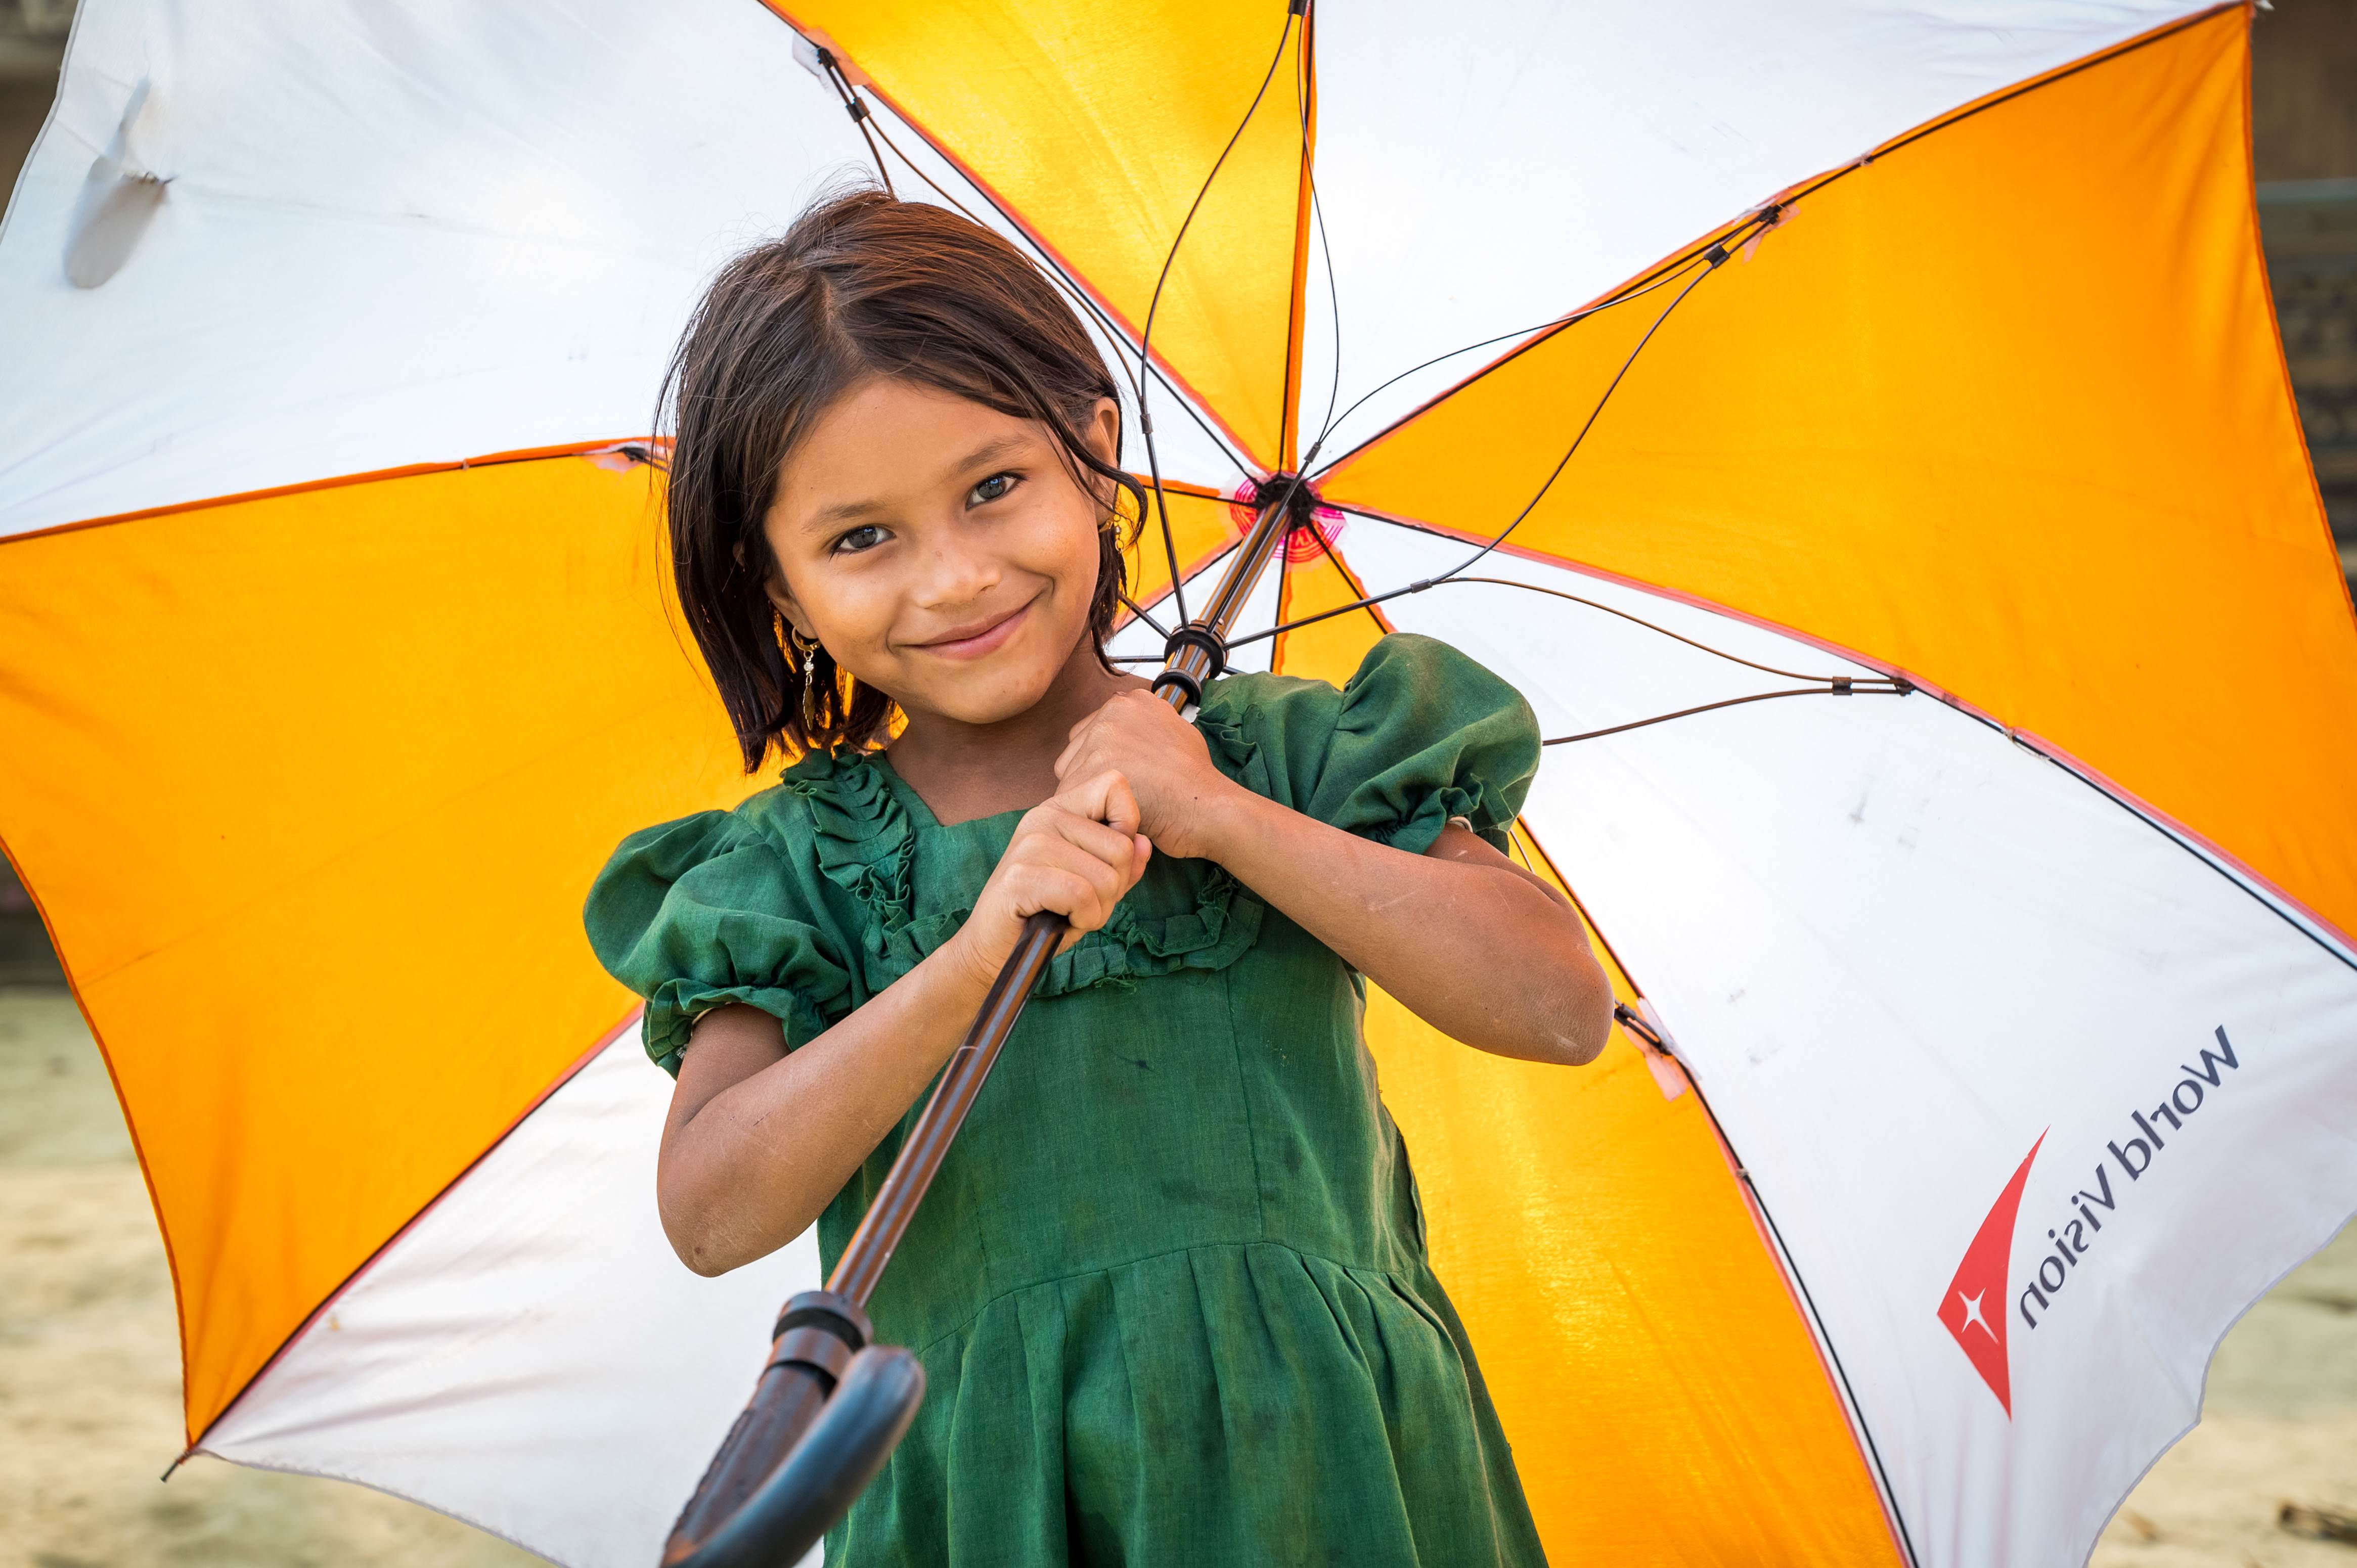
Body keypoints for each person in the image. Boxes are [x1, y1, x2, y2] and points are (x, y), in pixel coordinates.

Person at [585, 189, 1614, 1567]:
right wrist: (969, 958)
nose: (954, 577)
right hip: (981, 1499)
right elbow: (713, 1212)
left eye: (993, 487)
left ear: (1092, 449)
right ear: (777, 590)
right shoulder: (793, 871)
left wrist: (1224, 818)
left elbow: (1555, 1004)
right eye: (860, 539)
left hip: (1320, 1476)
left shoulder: (1289, 757)